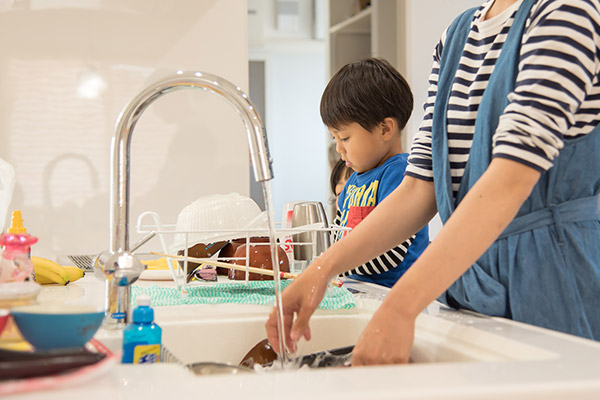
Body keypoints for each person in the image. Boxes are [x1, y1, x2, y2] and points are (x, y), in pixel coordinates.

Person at [266, 0, 600, 365]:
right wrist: (321, 270)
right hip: (471, 284)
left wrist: (401, 305)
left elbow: (510, 181)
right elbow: (418, 188)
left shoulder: (565, 13)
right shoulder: (456, 37)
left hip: (553, 277)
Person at [322, 58, 429, 288]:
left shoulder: (401, 173)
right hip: (359, 290)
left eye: (345, 138)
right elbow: (338, 238)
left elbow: (391, 255)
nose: (339, 148)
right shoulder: (353, 181)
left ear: (385, 129)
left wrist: (334, 264)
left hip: (395, 295)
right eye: (335, 139)